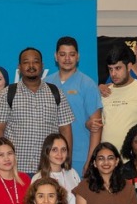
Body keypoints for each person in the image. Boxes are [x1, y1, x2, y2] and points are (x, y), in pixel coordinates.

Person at [0, 47, 75, 175]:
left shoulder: (56, 93)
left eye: (35, 62)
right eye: (26, 62)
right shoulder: (7, 94)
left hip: (49, 169)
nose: (31, 66)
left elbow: (65, 129)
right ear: (19, 67)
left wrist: (66, 159)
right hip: (15, 170)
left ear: (42, 66)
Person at [90, 44, 137, 160]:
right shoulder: (105, 92)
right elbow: (96, 124)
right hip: (108, 161)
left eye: (118, 68)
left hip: (135, 160)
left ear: (129, 67)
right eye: (110, 69)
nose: (113, 74)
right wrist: (90, 124)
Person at [44, 36, 102, 176]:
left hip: (79, 157)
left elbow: (97, 126)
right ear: (56, 56)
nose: (67, 59)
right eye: (63, 54)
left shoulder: (88, 85)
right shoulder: (46, 83)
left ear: (78, 56)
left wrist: (90, 160)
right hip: (50, 157)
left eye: (72, 54)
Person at [35, 133, 80, 204]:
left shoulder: (72, 173)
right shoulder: (39, 177)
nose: (60, 154)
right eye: (55, 150)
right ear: (47, 152)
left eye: (63, 150)